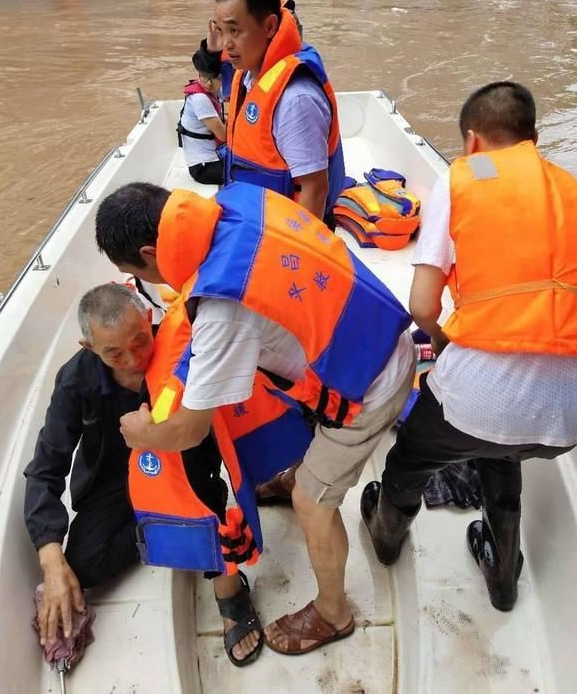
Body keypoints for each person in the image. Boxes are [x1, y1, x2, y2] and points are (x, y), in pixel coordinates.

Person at [94, 180, 416, 656]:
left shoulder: (222, 311)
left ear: (149, 251)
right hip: (370, 332)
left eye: (136, 272)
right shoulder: (237, 199)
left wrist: (144, 433)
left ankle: (334, 614)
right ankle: (288, 480)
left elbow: (190, 429)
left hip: (370, 387)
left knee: (313, 503)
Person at [360, 81, 577, 612]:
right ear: (535, 139)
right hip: (568, 420)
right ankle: (503, 576)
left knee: (413, 455)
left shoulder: (464, 182)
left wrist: (447, 343)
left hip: (478, 404)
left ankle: (385, 538)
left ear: (471, 142)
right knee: (502, 447)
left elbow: (424, 307)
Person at [24, 284, 262, 666]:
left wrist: (158, 435)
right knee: (82, 566)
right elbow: (45, 468)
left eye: (140, 342)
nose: (133, 359)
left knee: (204, 495)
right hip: (116, 479)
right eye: (114, 353)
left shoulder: (181, 351)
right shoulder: (74, 382)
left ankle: (229, 585)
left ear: (150, 321)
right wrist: (51, 558)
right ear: (90, 348)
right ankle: (162, 532)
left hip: (182, 459)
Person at [211, 0, 344, 226]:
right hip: (256, 218)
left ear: (270, 26)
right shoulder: (249, 74)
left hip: (288, 234)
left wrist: (295, 255)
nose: (226, 44)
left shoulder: (296, 99)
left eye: (235, 31)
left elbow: (314, 190)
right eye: (221, 30)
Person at [177, 46, 225, 186]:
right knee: (253, 172)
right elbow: (223, 136)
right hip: (204, 167)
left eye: (214, 78)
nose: (209, 83)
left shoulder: (213, 91)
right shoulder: (200, 99)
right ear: (199, 75)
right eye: (204, 77)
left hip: (214, 157)